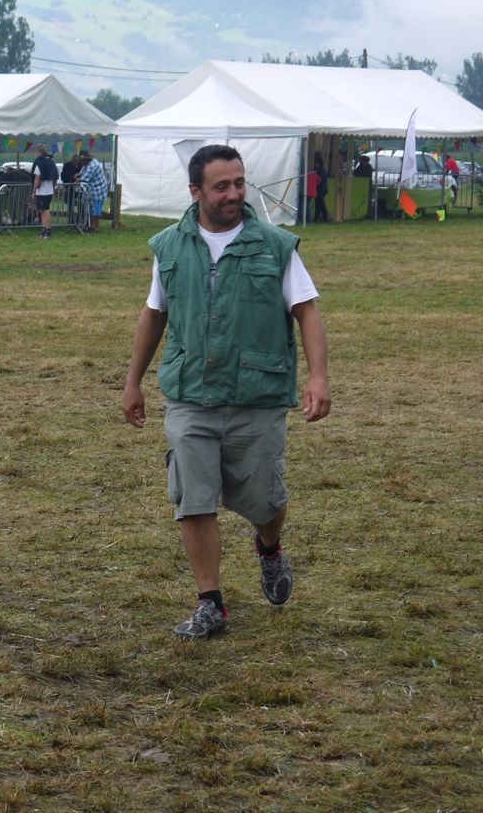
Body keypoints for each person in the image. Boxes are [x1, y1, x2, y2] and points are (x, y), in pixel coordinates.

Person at [122, 144, 330, 640]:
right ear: (195, 191)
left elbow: (307, 310)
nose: (234, 193)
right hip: (190, 394)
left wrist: (318, 377)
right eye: (222, 186)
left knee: (264, 501)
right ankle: (210, 602)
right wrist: (133, 382)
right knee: (193, 498)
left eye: (239, 183)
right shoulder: (170, 246)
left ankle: (269, 547)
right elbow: (155, 312)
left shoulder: (275, 246)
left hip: (257, 396)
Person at [31, 146, 59, 238]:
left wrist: (34, 190)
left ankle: (48, 231)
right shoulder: (51, 162)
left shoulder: (40, 162)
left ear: (39, 152)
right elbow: (56, 177)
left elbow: (37, 178)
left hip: (43, 191)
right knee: (43, 211)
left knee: (46, 211)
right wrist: (53, 187)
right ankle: (44, 230)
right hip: (49, 190)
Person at [78, 152, 109, 233]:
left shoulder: (92, 165)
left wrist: (76, 180)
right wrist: (79, 175)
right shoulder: (88, 163)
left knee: (96, 209)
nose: (80, 162)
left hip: (99, 189)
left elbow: (84, 179)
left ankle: (96, 227)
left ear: (86, 160)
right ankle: (91, 226)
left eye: (82, 160)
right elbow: (82, 173)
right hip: (92, 189)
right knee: (91, 209)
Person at [314, 157, 330, 223]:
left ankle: (325, 217)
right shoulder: (324, 171)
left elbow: (319, 181)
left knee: (321, 205)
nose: (315, 164)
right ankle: (316, 218)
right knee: (318, 205)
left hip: (320, 190)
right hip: (323, 190)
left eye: (316, 163)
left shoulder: (319, 172)